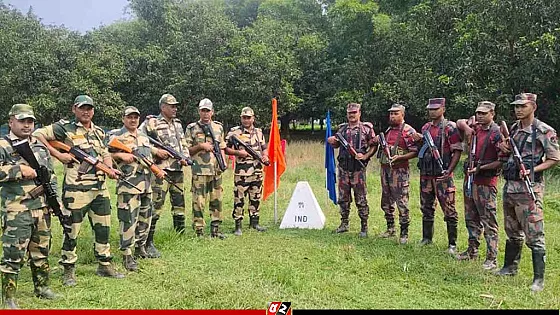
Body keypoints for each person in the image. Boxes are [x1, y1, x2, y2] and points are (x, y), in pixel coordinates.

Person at [33, 95, 124, 286]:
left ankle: (104, 264)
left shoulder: (99, 131)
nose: (86, 111)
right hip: (76, 190)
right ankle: (68, 269)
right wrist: (58, 154)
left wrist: (110, 168)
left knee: (104, 228)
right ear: (74, 109)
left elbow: (105, 153)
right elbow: (37, 135)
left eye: (89, 108)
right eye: (82, 108)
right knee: (71, 230)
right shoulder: (64, 127)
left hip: (100, 189)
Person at [495, 93, 560, 292]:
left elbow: (554, 158)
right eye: (516, 106)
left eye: (523, 106)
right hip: (511, 186)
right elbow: (507, 151)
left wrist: (532, 170)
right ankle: (509, 267)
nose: (518, 109)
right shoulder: (514, 128)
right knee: (511, 229)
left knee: (534, 233)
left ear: (533, 106)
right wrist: (504, 147)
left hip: (529, 188)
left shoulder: (544, 130)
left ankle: (538, 279)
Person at [0, 104, 61, 309]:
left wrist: (55, 200)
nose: (27, 125)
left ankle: (42, 288)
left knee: (41, 250)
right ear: (11, 121)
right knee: (13, 255)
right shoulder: (3, 145)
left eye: (30, 121)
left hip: (42, 208)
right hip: (16, 210)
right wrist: (18, 170)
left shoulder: (39, 145)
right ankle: (9, 298)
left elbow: (50, 175)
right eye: (22, 121)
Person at [108, 106, 165, 271]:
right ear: (123, 119)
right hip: (129, 186)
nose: (133, 120)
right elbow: (103, 154)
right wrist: (119, 155)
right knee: (128, 221)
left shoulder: (143, 137)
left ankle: (141, 247)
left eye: (135, 117)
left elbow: (147, 156)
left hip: (146, 185)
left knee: (145, 219)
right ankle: (127, 254)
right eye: (129, 117)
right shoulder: (115, 136)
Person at [139, 94, 190, 257]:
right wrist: (156, 151)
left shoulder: (178, 124)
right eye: (171, 106)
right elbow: (140, 140)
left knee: (179, 204)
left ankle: (179, 236)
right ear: (162, 107)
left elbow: (183, 143)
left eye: (176, 106)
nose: (175, 108)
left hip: (177, 170)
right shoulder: (151, 122)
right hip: (160, 171)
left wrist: (186, 158)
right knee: (156, 206)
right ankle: (148, 242)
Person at [455, 101, 503, 270]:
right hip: (471, 181)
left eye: (484, 113)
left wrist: (480, 168)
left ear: (492, 114)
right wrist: (467, 128)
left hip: (486, 183)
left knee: (489, 221)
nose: (480, 116)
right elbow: (459, 122)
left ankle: (492, 258)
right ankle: (472, 251)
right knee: (471, 218)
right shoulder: (475, 129)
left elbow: (501, 161)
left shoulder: (496, 133)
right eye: (478, 113)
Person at [412, 98, 462, 254]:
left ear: (443, 109)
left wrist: (449, 171)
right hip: (426, 175)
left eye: (435, 109)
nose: (432, 112)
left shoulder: (449, 127)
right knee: (426, 207)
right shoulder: (426, 127)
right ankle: (427, 238)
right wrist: (420, 140)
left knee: (449, 209)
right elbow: (422, 149)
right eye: (430, 109)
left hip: (442, 176)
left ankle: (452, 244)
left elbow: (457, 151)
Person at [327, 102, 376, 238]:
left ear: (359, 113)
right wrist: (332, 141)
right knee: (343, 198)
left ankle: (364, 227)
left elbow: (374, 145)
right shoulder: (342, 129)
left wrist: (365, 156)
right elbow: (337, 144)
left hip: (358, 169)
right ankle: (344, 224)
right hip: (343, 168)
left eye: (354, 112)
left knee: (361, 198)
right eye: (349, 113)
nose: (352, 115)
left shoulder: (366, 128)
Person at [185, 98, 227, 239]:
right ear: (199, 112)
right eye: (203, 110)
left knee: (217, 200)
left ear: (212, 112)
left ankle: (216, 229)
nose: (205, 114)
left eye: (208, 111)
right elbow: (186, 151)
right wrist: (200, 146)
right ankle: (199, 230)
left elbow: (222, 147)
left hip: (216, 170)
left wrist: (223, 163)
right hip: (199, 171)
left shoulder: (218, 127)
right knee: (199, 201)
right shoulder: (192, 128)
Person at [377, 104, 418, 244]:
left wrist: (400, 158)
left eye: (395, 113)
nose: (392, 116)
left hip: (399, 171)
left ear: (402, 115)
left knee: (402, 202)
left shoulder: (408, 131)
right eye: (391, 114)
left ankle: (404, 233)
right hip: (385, 170)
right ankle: (390, 228)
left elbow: (415, 151)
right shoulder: (389, 130)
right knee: (386, 201)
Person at [224, 107, 269, 236]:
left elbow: (264, 147)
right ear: (241, 118)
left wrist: (265, 156)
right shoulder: (234, 133)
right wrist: (238, 152)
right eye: (244, 117)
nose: (246, 120)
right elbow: (225, 148)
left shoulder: (259, 132)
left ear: (253, 118)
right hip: (242, 172)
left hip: (257, 170)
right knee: (239, 198)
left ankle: (254, 222)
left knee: (256, 197)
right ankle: (238, 225)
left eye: (248, 117)